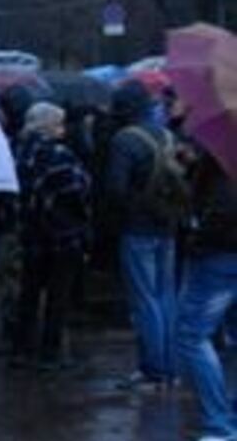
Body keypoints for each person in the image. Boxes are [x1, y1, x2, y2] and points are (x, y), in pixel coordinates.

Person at [105, 82, 184, 390]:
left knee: (144, 300)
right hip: (167, 226)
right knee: (166, 297)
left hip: (137, 229)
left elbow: (115, 188)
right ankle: (170, 369)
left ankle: (152, 370)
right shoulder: (166, 135)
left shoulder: (125, 140)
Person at [11, 102, 91, 371]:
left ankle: (21, 349)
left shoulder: (18, 151)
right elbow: (78, 188)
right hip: (62, 235)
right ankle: (50, 352)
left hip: (31, 233)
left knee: (29, 293)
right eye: (59, 123)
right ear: (47, 125)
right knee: (58, 296)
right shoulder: (60, 154)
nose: (63, 128)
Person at [176, 135, 237, 441]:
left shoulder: (225, 147)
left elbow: (225, 208)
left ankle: (220, 425)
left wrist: (199, 239)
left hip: (222, 254)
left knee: (191, 335)